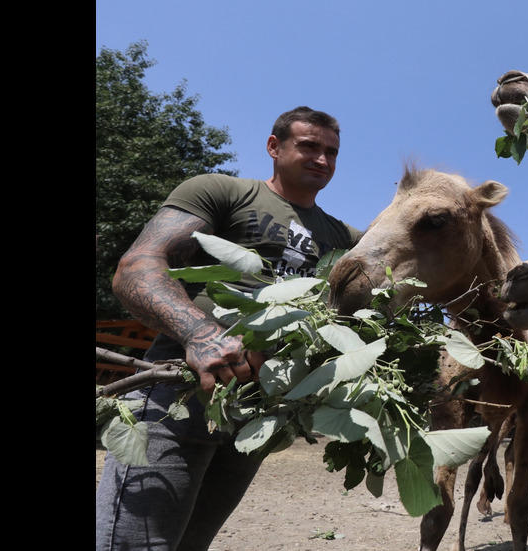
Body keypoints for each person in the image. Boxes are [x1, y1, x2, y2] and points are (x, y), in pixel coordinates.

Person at [96, 107, 362, 551]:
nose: (323, 160)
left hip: (261, 410)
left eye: (332, 152)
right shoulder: (222, 191)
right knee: (136, 544)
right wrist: (201, 335)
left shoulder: (344, 239)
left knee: (190, 544)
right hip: (180, 388)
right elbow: (136, 268)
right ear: (274, 147)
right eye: (309, 146)